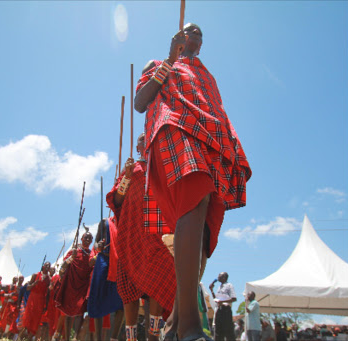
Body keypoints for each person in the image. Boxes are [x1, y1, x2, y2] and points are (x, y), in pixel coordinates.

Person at [134, 22, 252, 341]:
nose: (196, 36)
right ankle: (188, 327)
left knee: (202, 227)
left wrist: (230, 142)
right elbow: (140, 102)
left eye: (200, 34)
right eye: (190, 31)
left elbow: (217, 111)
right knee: (194, 196)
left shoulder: (208, 76)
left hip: (208, 138)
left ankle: (174, 324)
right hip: (174, 127)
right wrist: (170, 60)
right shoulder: (158, 65)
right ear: (178, 37)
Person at [106, 133, 176, 341]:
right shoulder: (132, 169)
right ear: (138, 147)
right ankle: (131, 337)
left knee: (157, 280)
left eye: (149, 137)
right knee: (129, 289)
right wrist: (127, 176)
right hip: (131, 234)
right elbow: (117, 201)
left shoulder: (162, 167)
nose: (145, 141)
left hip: (156, 232)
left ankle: (153, 335)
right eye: (142, 139)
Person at [87, 217, 124, 341]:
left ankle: (114, 338)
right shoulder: (105, 222)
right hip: (103, 261)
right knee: (98, 299)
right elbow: (96, 242)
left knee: (123, 302)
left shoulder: (126, 219)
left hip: (119, 264)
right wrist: (99, 246)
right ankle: (98, 338)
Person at [55, 232, 95, 341]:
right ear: (81, 238)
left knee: (80, 312)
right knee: (67, 313)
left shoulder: (91, 253)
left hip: (83, 286)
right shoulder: (74, 251)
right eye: (86, 237)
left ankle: (76, 337)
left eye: (90, 238)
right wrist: (71, 258)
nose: (88, 239)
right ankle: (67, 338)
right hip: (71, 284)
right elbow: (63, 267)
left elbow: (92, 265)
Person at [20, 262, 51, 339]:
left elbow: (47, 293)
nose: (47, 267)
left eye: (49, 266)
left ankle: (30, 337)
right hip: (33, 298)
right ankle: (22, 335)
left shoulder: (49, 279)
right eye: (46, 265)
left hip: (41, 300)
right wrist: (34, 284)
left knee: (36, 319)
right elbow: (28, 288)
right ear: (43, 266)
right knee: (29, 316)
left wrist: (46, 305)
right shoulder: (35, 275)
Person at [209, 272, 236, 341]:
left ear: (224, 277)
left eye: (219, 276)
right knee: (218, 331)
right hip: (219, 310)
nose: (218, 277)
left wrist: (222, 302)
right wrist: (211, 290)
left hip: (226, 310)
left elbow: (234, 298)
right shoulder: (219, 287)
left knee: (228, 331)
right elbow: (216, 299)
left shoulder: (229, 285)